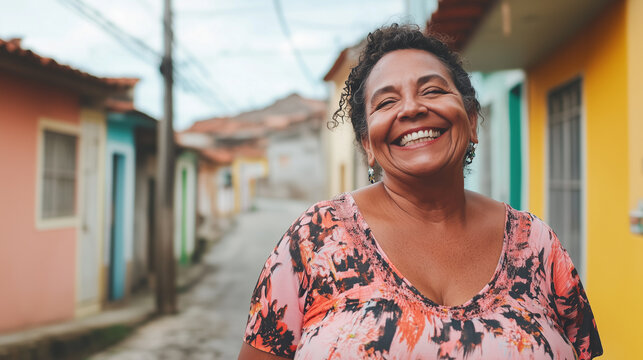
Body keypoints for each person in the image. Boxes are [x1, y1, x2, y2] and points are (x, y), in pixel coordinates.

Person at [238, 24, 602, 360]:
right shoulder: (315, 240)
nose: (412, 108)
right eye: (386, 102)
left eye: (432, 90)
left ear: (471, 119)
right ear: (367, 143)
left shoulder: (537, 245)